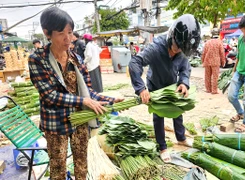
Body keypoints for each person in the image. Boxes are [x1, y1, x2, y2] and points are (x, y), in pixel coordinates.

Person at [28, 7, 123, 179]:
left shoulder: (76, 59)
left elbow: (89, 92)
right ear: (47, 33)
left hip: (80, 122)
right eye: (61, 33)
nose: (68, 38)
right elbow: (49, 95)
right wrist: (84, 102)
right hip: (55, 124)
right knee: (58, 169)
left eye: (70, 32)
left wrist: (111, 100)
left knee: (81, 166)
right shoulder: (37, 59)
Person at [129, 14, 201, 163]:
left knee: (178, 110)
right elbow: (135, 63)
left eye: (182, 50)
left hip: (172, 86)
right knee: (158, 116)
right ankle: (162, 147)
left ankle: (181, 138)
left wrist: (184, 83)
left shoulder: (182, 49)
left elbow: (185, 68)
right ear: (172, 37)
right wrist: (141, 88)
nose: (178, 51)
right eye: (177, 48)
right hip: (155, 86)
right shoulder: (156, 48)